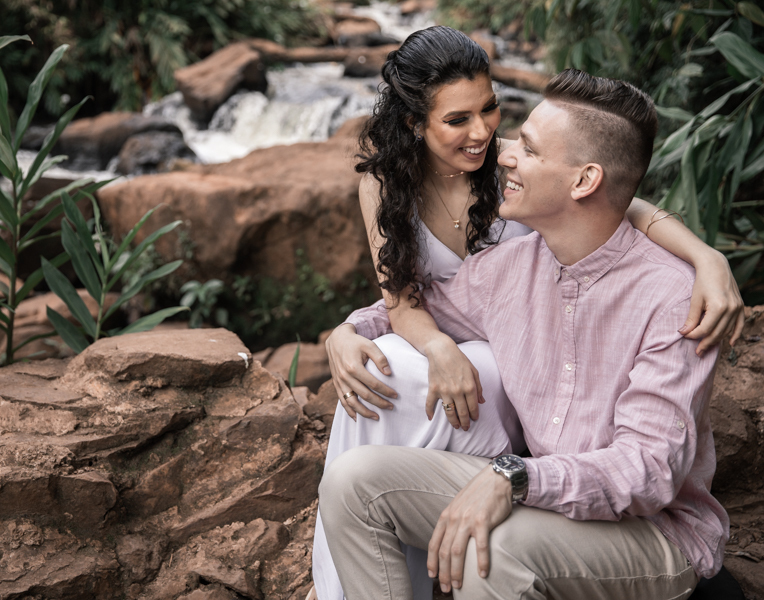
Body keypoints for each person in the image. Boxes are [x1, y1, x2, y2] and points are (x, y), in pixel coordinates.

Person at [310, 26, 743, 600]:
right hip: (540, 489)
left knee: (487, 554)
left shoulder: (671, 298)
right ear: (416, 124)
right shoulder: (509, 268)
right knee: (353, 480)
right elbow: (413, 304)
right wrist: (346, 331)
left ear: (583, 180)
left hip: (647, 533)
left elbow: (647, 473)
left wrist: (514, 477)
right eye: (465, 120)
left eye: (525, 145)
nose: (499, 145)